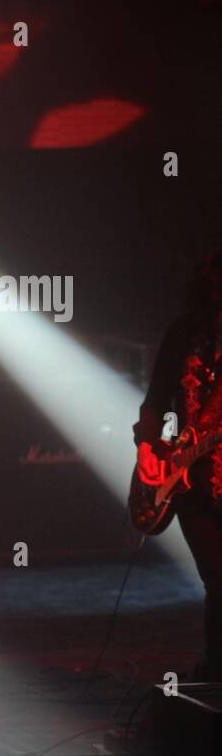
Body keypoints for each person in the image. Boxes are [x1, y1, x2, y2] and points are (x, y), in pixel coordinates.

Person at [134, 252, 222, 680]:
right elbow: (155, 402)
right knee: (218, 584)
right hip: (190, 482)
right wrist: (149, 450)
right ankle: (213, 675)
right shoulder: (184, 333)